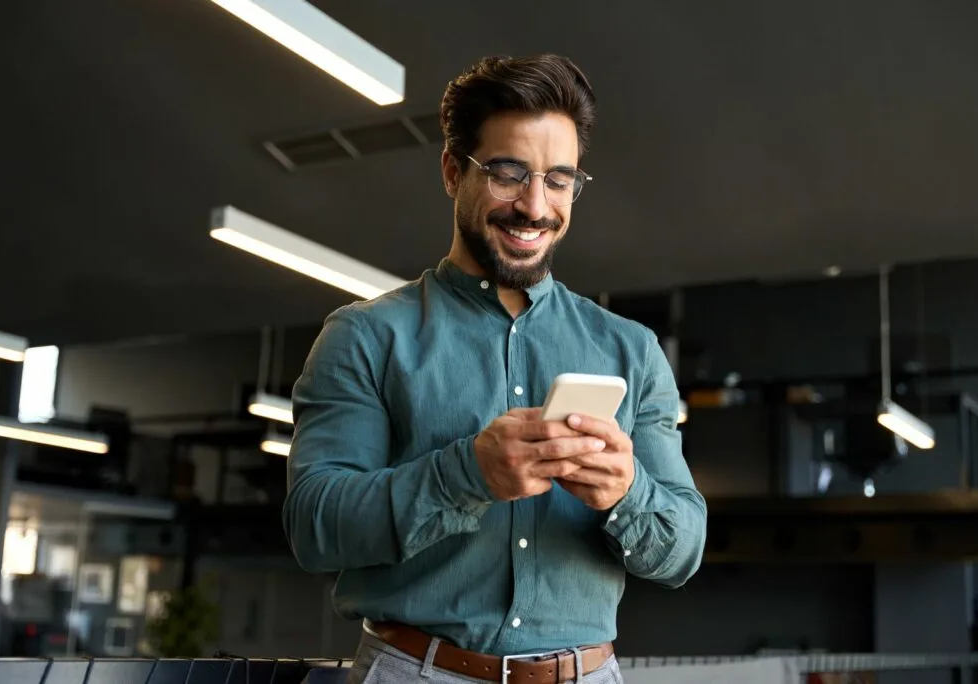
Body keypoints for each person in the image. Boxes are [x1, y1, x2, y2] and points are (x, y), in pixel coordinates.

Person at [283, 53, 707, 684]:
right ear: (454, 171)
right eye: (509, 173)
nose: (535, 206)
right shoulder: (365, 336)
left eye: (559, 179)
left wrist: (626, 493)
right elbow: (315, 526)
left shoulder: (633, 350)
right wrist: (467, 474)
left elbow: (684, 551)